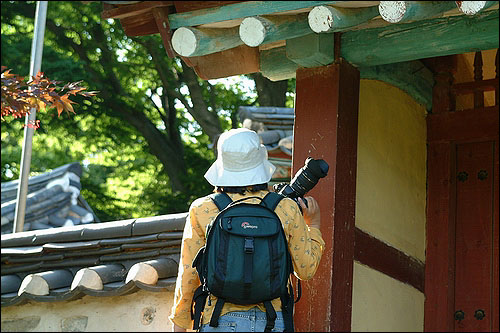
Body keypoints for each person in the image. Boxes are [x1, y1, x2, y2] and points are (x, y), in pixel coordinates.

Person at [169, 127, 325, 332]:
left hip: (218, 319)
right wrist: (313, 225)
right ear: (261, 163)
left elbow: (189, 272)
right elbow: (305, 270)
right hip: (273, 320)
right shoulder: (284, 208)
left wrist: (180, 323)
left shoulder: (203, 209)